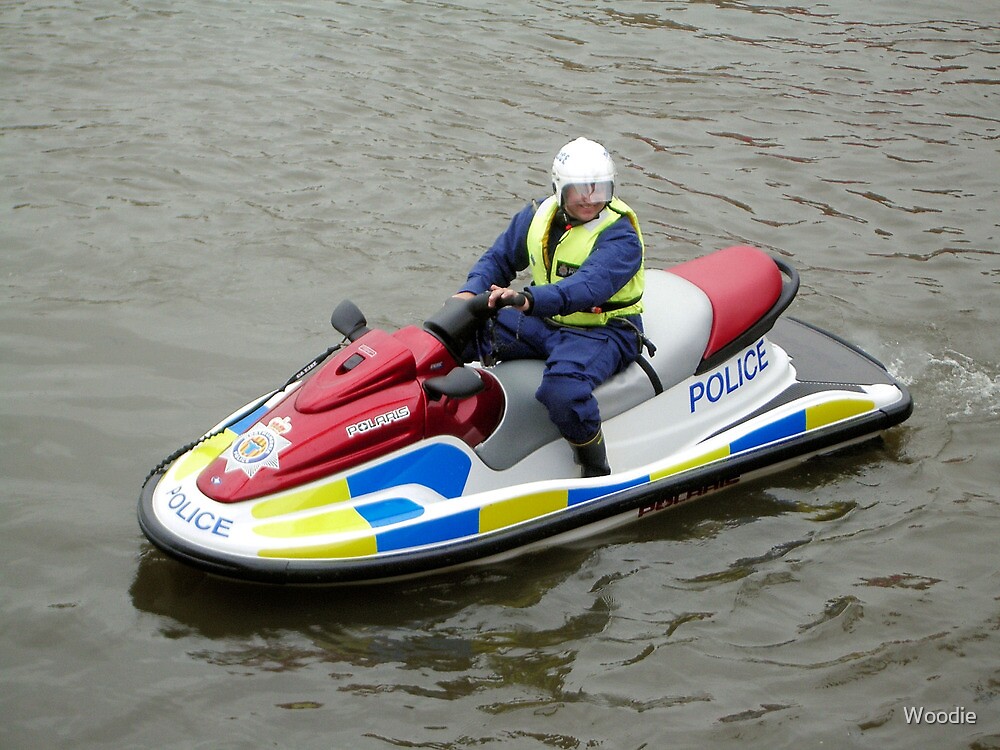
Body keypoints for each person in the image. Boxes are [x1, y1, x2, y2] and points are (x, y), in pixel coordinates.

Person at [454, 137, 646, 477]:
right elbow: (498, 259)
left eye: (599, 190)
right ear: (559, 190)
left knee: (563, 391)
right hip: (546, 320)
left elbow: (588, 287)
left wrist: (528, 300)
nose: (589, 199)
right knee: (461, 332)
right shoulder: (536, 216)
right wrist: (469, 296)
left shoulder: (621, 236)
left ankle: (595, 468)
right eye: (579, 191)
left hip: (603, 332)